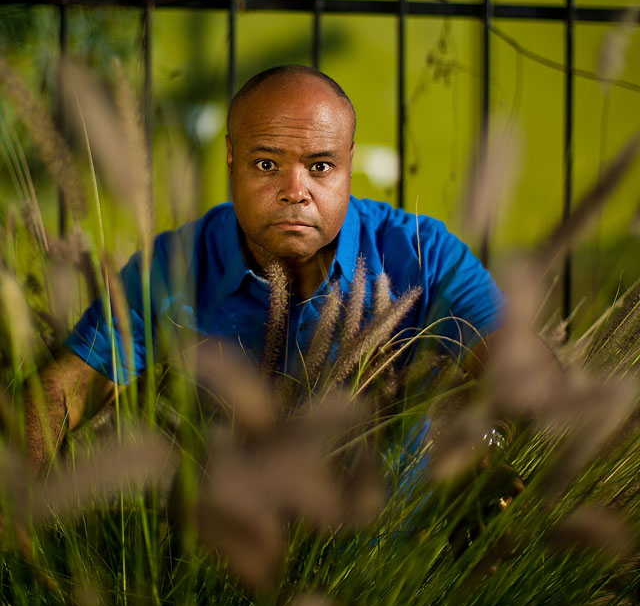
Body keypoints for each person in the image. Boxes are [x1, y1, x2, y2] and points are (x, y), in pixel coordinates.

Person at [24, 64, 504, 474]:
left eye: (320, 167)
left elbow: (523, 376)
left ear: (348, 165)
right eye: (267, 164)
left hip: (398, 563)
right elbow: (65, 390)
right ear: (232, 159)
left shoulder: (422, 254)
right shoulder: (175, 267)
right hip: (219, 559)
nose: (295, 190)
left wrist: (491, 463)